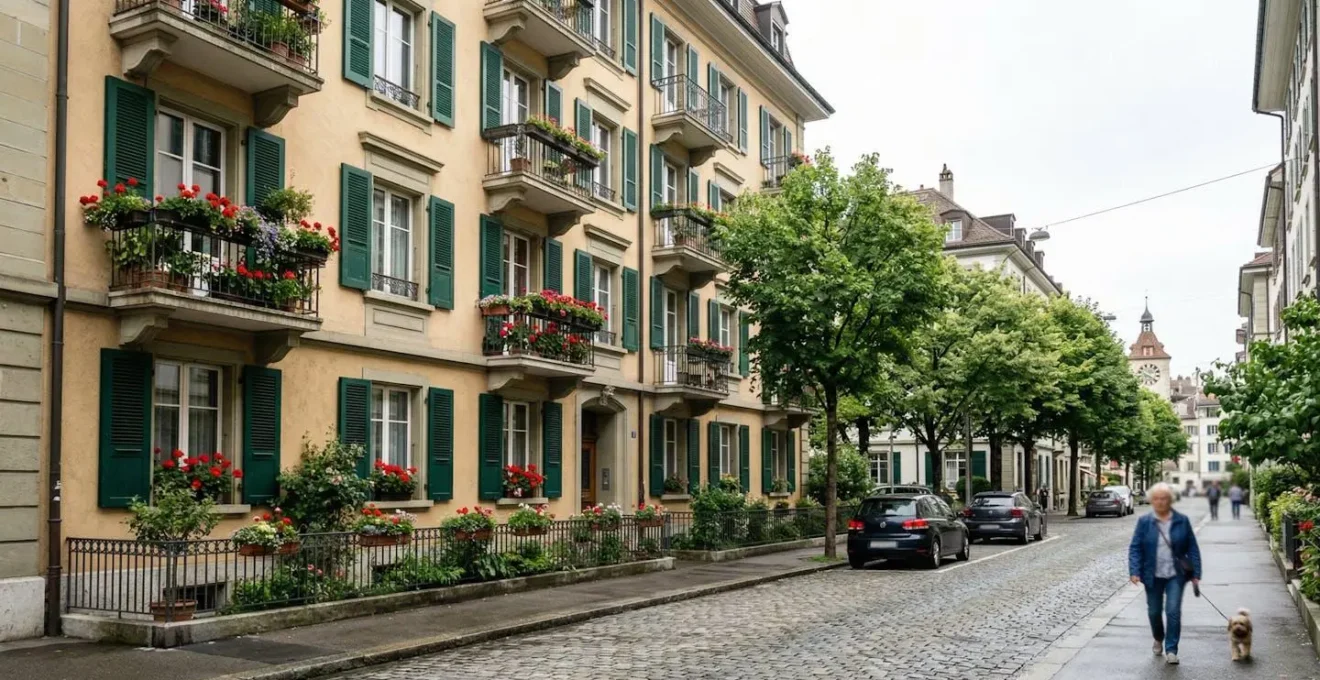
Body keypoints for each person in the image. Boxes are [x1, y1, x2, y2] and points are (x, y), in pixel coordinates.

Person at [1129, 483, 1202, 665]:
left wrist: (1196, 572)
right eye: (1156, 499)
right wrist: (1134, 571)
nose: (1160, 502)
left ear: (1170, 500)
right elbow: (1135, 547)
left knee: (1173, 611)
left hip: (1176, 574)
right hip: (1152, 574)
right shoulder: (1145, 521)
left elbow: (1192, 547)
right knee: (1154, 612)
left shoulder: (1182, 520)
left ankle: (1171, 649)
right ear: (1151, 501)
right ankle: (1158, 637)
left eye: (1164, 498)